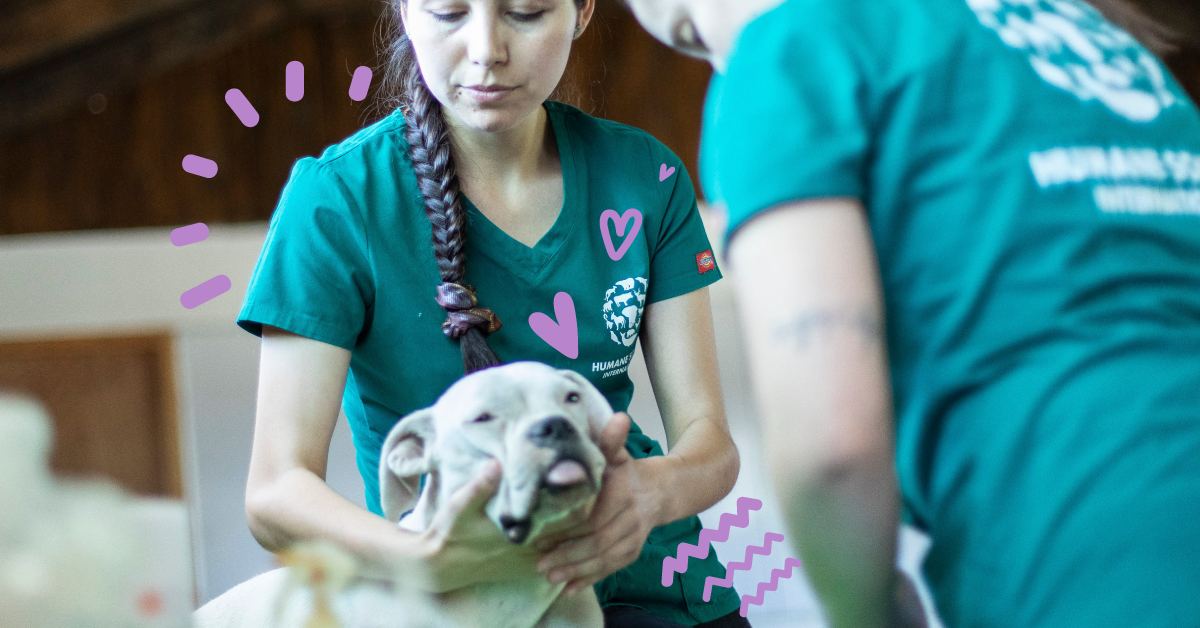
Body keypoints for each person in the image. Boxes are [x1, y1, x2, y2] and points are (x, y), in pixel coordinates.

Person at [620, 0, 1200, 627]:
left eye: (693, 32)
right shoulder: (1093, 43)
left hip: (1085, 554)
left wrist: (868, 611)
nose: (719, 61)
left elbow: (831, 449)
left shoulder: (790, 52)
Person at [234, 0, 751, 626]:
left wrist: (652, 493)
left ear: (583, 11)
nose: (486, 50)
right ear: (405, 13)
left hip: (660, 589)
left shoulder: (646, 174)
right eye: (449, 12)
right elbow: (274, 493)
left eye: (525, 12)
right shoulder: (337, 200)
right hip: (461, 605)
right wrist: (420, 557)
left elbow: (710, 442)